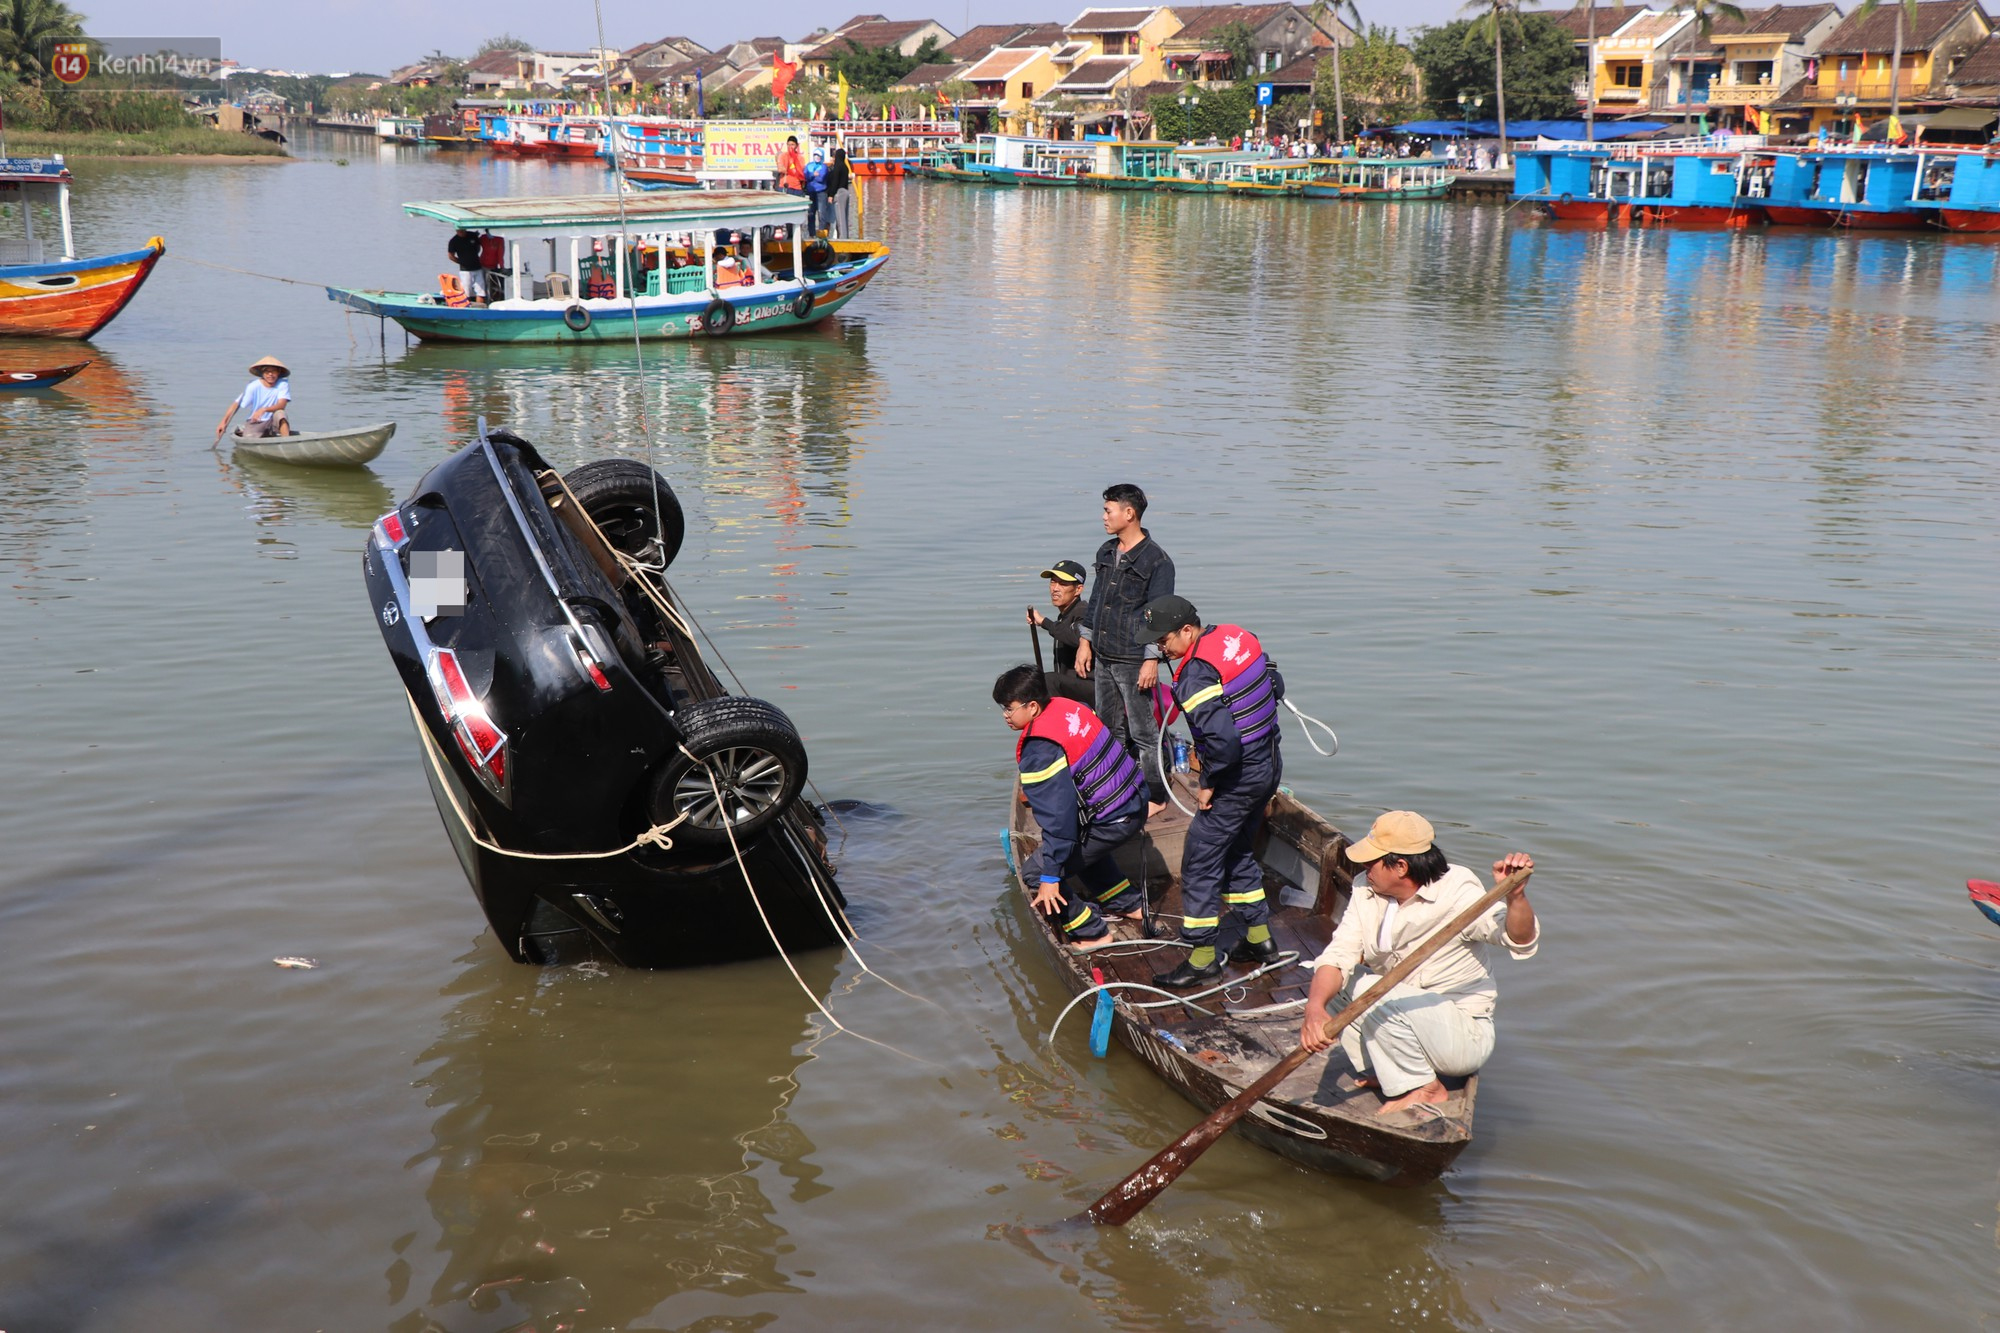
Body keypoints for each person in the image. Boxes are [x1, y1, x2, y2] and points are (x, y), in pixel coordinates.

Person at [1297, 811, 1539, 1116]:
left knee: (1373, 990)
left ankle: (1426, 1087)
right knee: (1339, 982)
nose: (1364, 868)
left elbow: (1518, 938)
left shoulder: (1458, 891)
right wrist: (1314, 1009)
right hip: (1404, 1015)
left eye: (1372, 862)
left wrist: (1516, 897)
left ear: (1400, 866)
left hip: (1461, 1034)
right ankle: (1390, 1069)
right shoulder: (1365, 889)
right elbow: (1338, 954)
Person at [1141, 596, 1285, 989]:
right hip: (1270, 762)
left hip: (1238, 777)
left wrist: (1208, 785)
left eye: (1165, 640)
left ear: (1187, 630)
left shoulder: (1193, 677)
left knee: (1200, 860)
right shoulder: (1235, 636)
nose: (1161, 649)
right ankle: (1260, 939)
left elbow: (1223, 744)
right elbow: (1274, 680)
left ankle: (1203, 957)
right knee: (1238, 847)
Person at [994, 663, 1149, 952]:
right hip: (1136, 799)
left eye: (1009, 708)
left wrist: (1051, 875)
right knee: (1080, 847)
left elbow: (1058, 819)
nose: (1005, 715)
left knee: (1036, 871)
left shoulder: (1039, 748)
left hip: (1113, 818)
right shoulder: (1069, 706)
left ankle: (1092, 932)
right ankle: (1127, 904)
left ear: (1032, 706)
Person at [1073, 483, 1174, 812]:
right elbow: (1096, 602)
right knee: (1107, 727)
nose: (1104, 516)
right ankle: (1115, 788)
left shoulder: (1157, 562)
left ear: (1129, 514)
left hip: (1133, 659)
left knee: (1144, 732)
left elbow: (1159, 615)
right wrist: (1085, 642)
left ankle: (1157, 796)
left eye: (1108, 510)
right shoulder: (1105, 551)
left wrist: (1151, 660)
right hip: (1103, 654)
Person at [1027, 559, 1093, 706]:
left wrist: (1044, 622)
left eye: (1063, 584)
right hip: (1072, 687)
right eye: (1053, 582)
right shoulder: (1065, 616)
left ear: (1078, 589)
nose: (1055, 588)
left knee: (1049, 679)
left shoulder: (1083, 612)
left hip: (1092, 689)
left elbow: (1077, 637)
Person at [214, 354, 294, 440]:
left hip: (273, 421)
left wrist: (264, 409)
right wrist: (223, 422)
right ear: (262, 373)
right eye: (267, 372)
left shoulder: (283, 384)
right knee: (249, 437)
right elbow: (236, 404)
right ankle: (245, 431)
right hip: (257, 421)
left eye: (273, 371)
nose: (270, 374)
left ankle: (286, 441)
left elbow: (282, 404)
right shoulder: (253, 386)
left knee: (280, 413)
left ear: (278, 372)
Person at [446, 227, 485, 303]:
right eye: (459, 231)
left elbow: (478, 247)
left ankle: (480, 307)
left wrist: (475, 256)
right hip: (465, 270)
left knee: (481, 290)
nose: (461, 232)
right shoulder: (453, 241)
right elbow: (451, 256)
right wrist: (461, 262)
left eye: (462, 230)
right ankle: (466, 307)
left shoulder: (472, 235)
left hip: (477, 267)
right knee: (466, 291)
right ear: (456, 230)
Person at [825, 146, 855, 239]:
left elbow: (835, 182)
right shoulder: (845, 167)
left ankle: (842, 238)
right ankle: (846, 236)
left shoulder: (837, 167)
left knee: (840, 217)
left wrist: (831, 195)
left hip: (839, 193)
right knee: (845, 216)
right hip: (846, 192)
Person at [803, 148, 831, 233]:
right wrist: (812, 174)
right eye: (815, 155)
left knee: (821, 212)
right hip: (811, 192)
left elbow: (821, 178)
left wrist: (811, 176)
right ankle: (811, 232)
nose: (817, 157)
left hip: (821, 192)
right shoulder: (809, 165)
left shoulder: (824, 167)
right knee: (811, 213)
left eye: (819, 155)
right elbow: (806, 176)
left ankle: (821, 232)